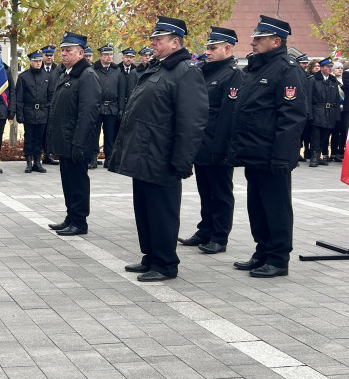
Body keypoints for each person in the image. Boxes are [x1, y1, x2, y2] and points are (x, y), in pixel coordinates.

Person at [108, 17, 207, 281]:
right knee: (145, 210)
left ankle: (165, 264)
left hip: (162, 156)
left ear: (175, 43)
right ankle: (150, 257)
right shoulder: (158, 68)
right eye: (153, 39)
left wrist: (182, 161)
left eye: (159, 40)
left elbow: (192, 121)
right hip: (144, 154)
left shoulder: (186, 71)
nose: (153, 43)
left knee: (162, 213)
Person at [225, 15, 308, 278]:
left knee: (276, 206)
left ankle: (278, 258)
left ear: (276, 41)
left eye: (258, 39)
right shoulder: (257, 68)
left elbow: (292, 117)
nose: (252, 42)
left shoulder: (287, 69)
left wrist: (282, 156)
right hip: (254, 152)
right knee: (258, 207)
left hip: (273, 155)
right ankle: (262, 251)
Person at [179, 27, 240, 254]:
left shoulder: (233, 74)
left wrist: (223, 146)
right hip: (201, 142)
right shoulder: (204, 71)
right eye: (207, 47)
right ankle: (205, 230)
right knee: (205, 190)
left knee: (220, 192)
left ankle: (219, 236)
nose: (208, 52)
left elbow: (228, 114)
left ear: (227, 48)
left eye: (213, 48)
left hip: (219, 143)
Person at [46, 32, 101, 236]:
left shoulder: (87, 75)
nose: (63, 54)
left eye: (68, 50)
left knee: (78, 182)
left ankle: (79, 221)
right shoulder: (65, 74)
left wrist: (79, 143)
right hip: (65, 140)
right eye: (62, 50)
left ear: (80, 53)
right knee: (68, 181)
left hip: (76, 142)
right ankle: (70, 217)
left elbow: (88, 112)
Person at [14, 50, 53, 173]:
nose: (38, 63)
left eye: (39, 61)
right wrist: (19, 114)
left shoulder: (47, 77)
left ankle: (37, 161)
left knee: (39, 138)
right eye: (36, 61)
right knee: (29, 138)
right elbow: (19, 97)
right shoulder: (23, 77)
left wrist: (48, 109)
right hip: (29, 112)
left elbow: (51, 95)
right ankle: (28, 162)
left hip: (42, 112)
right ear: (30, 61)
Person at [90, 45, 122, 169]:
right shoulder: (94, 70)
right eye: (106, 55)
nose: (109, 57)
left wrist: (120, 108)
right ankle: (93, 157)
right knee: (94, 133)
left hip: (112, 106)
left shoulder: (117, 70)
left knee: (110, 134)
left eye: (110, 55)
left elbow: (121, 90)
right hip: (97, 106)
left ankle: (109, 158)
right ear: (101, 56)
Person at [308, 58, 342, 166]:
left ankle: (320, 156)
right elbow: (308, 98)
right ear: (321, 68)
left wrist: (337, 115)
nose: (330, 68)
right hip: (317, 111)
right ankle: (314, 156)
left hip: (329, 113)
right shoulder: (313, 80)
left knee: (325, 136)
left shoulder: (333, 80)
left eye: (331, 66)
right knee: (315, 136)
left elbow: (336, 98)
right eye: (327, 67)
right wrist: (309, 114)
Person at [40, 45, 60, 165]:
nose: (49, 57)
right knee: (42, 132)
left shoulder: (58, 69)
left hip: (55, 105)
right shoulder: (38, 68)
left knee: (51, 131)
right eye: (46, 55)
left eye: (51, 55)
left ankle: (48, 154)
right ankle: (39, 155)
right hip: (42, 106)